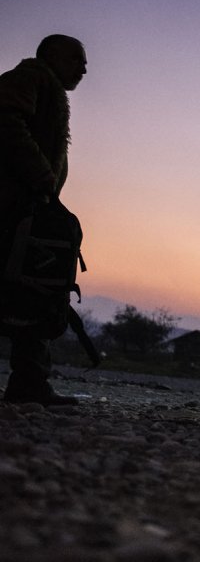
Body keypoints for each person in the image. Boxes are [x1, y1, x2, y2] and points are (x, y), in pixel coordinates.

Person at [1, 35, 88, 406]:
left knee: (34, 285)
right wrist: (40, 175)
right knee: (29, 284)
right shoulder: (31, 77)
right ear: (50, 56)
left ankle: (29, 382)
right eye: (76, 59)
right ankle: (29, 382)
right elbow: (4, 119)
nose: (83, 68)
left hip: (27, 205)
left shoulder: (48, 88)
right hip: (11, 204)